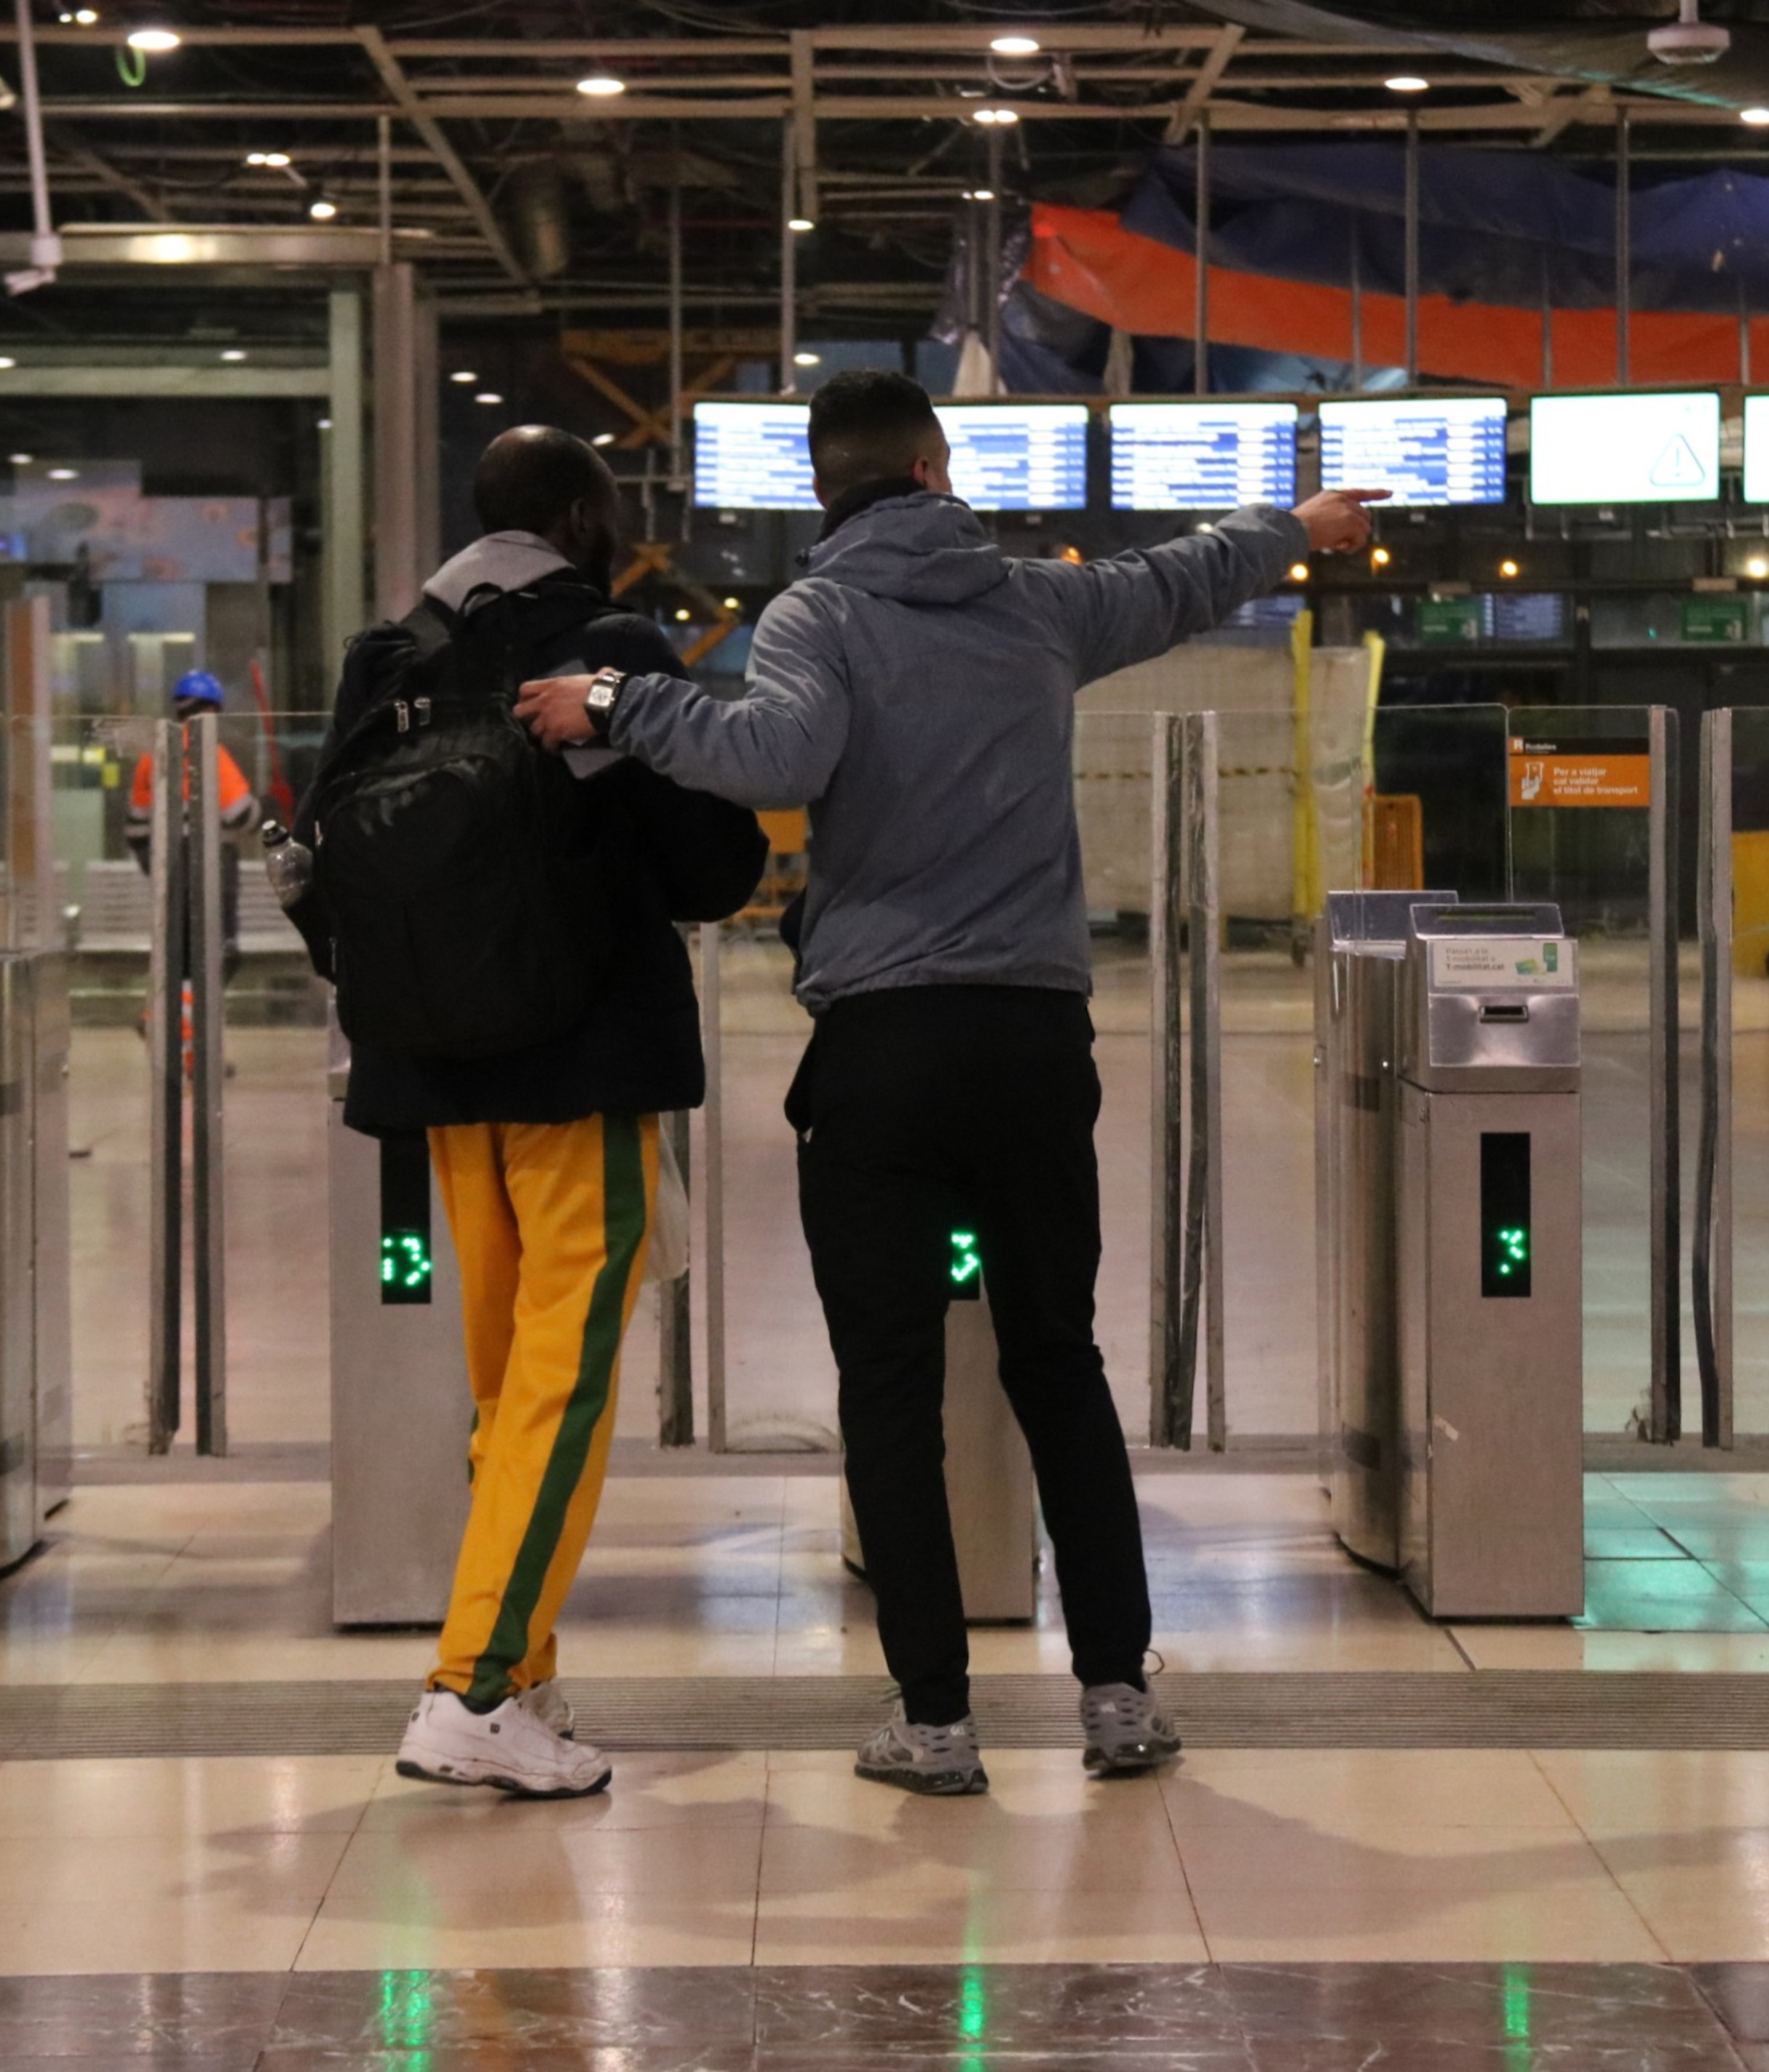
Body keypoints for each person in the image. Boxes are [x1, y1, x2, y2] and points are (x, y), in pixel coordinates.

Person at [517, 370, 1381, 1795]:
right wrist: (1297, 519)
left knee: (892, 1386)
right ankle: (1116, 1696)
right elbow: (1182, 579)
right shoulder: (1036, 603)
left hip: (884, 1053)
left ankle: (937, 1722)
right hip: (1037, 1045)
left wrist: (618, 700)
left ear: (821, 489)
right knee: (1060, 1362)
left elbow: (778, 756)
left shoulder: (818, 614)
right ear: (935, 469)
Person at [359, 427, 769, 1799]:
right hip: (577, 1056)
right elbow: (714, 860)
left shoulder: (389, 655)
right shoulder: (608, 645)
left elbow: (326, 863)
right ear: (587, 514)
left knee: (508, 1381)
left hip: (439, 1069)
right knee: (568, 1374)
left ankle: (519, 1674)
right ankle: (471, 1685)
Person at [125, 669, 259, 991]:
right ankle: (196, 1025)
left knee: (176, 952)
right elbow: (243, 817)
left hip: (169, 866)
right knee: (217, 952)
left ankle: (171, 1021)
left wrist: (155, 863)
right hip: (214, 866)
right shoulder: (214, 756)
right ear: (213, 711)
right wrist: (269, 808)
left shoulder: (152, 757)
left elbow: (136, 825)